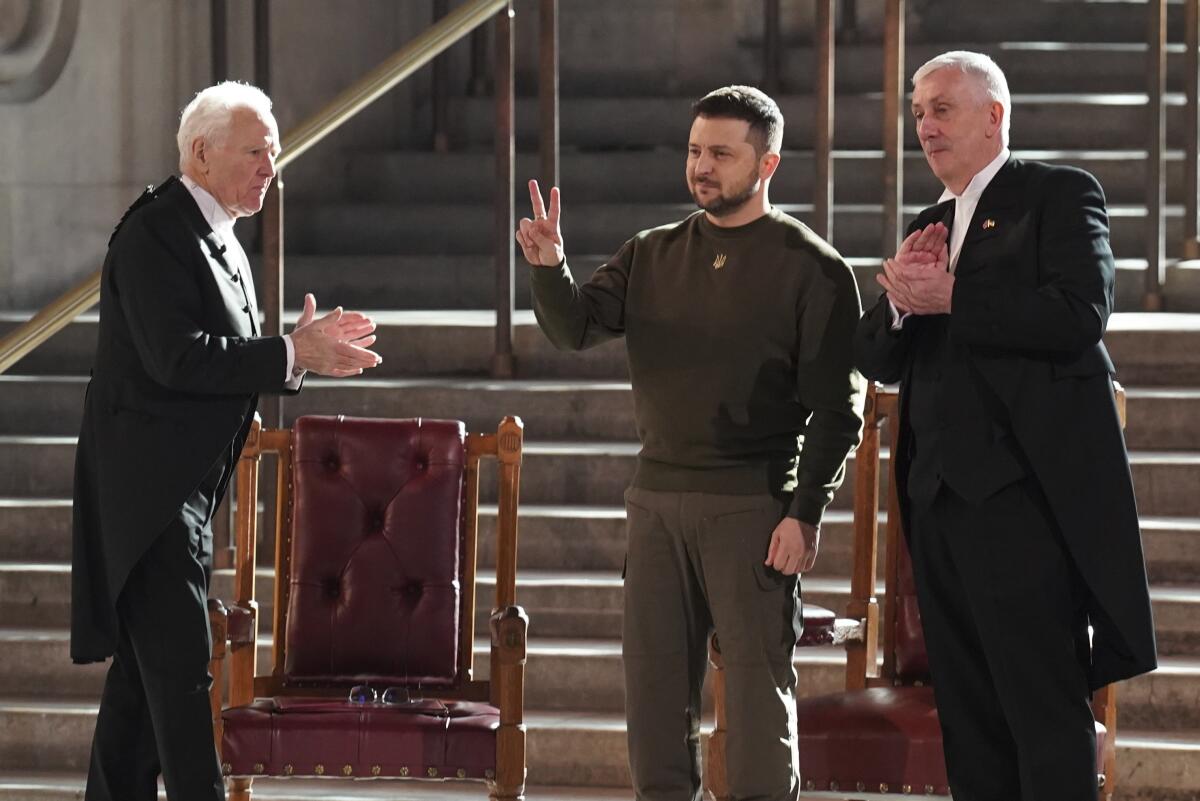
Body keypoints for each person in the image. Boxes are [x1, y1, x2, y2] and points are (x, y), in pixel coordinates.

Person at [517, 85, 865, 801]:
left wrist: (805, 512)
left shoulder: (813, 266)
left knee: (758, 699)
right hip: (656, 504)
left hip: (754, 509)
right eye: (695, 150)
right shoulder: (653, 252)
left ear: (766, 164)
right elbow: (574, 327)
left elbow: (839, 410)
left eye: (721, 154)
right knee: (652, 697)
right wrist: (550, 268)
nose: (702, 167)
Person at [853, 51, 1157, 799]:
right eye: (918, 111)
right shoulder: (931, 221)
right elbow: (876, 358)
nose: (924, 124)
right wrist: (897, 299)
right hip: (937, 503)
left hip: (1025, 500)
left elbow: (1081, 314)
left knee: (1042, 713)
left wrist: (952, 295)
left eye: (942, 108)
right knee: (971, 719)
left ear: (994, 115)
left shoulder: (1056, 195)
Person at [70, 81, 382, 801]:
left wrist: (295, 355)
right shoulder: (156, 232)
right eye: (254, 152)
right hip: (149, 503)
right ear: (202, 152)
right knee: (180, 690)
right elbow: (177, 358)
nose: (270, 166)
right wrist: (289, 352)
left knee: (139, 700)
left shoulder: (222, 239)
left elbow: (227, 363)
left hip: (185, 497)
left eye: (273, 153)